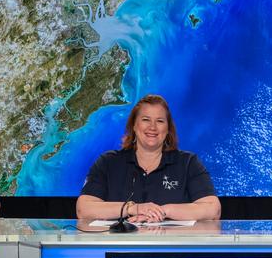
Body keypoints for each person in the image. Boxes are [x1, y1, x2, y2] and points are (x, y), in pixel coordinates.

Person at [76, 94, 221, 222]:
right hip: (120, 250)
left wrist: (163, 211)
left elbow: (213, 210)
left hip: (172, 251)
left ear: (168, 128)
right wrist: (133, 208)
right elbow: (83, 209)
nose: (152, 127)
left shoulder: (189, 162)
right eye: (146, 119)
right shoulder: (108, 162)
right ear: (134, 125)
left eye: (160, 121)